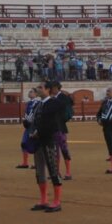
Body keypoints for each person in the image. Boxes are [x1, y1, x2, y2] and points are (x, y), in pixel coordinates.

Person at [28, 80, 65, 212]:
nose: (38, 89)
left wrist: (39, 132)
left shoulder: (54, 103)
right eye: (37, 87)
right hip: (38, 141)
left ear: (48, 89)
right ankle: (44, 199)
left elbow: (51, 123)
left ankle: (57, 201)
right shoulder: (38, 105)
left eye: (40, 87)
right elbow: (34, 121)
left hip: (50, 140)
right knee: (40, 171)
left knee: (53, 170)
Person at [17, 88, 41, 168]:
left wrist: (29, 121)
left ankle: (36, 163)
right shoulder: (29, 103)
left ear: (36, 94)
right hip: (28, 126)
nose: (29, 93)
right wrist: (25, 121)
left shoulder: (37, 103)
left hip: (33, 126)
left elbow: (35, 114)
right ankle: (25, 163)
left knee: (34, 144)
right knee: (24, 143)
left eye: (31, 92)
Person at [54, 85, 74, 180]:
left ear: (57, 88)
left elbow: (70, 104)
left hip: (60, 127)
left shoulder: (62, 97)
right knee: (55, 151)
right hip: (52, 128)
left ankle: (68, 172)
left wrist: (61, 120)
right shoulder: (54, 97)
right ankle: (57, 172)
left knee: (64, 149)